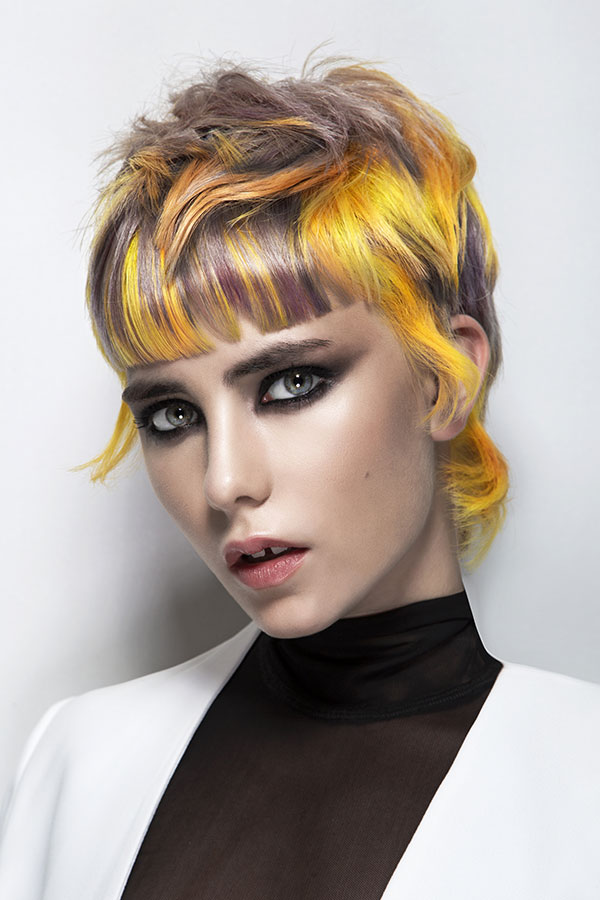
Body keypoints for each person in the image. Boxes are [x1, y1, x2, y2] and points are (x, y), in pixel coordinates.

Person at [1, 59, 599, 900]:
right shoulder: (77, 761)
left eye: (290, 384)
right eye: (172, 415)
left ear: (446, 380)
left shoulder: (582, 783)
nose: (225, 482)